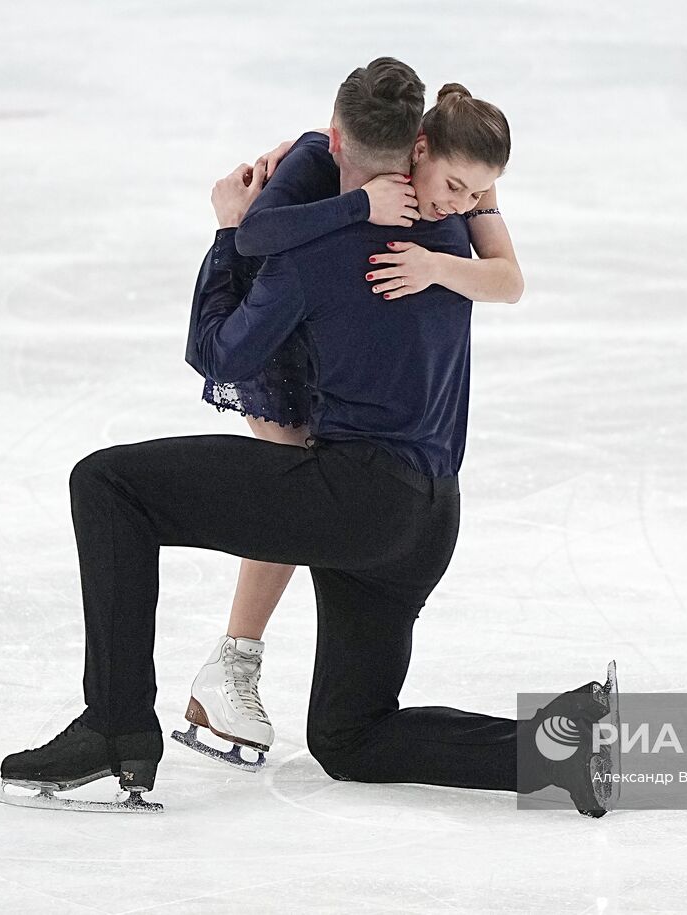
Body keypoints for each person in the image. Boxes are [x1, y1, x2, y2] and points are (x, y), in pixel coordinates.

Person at [0, 58, 615, 817]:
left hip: (354, 498)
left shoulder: (316, 251)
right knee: (352, 736)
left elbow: (219, 353)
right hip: (427, 521)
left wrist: (228, 231)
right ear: (419, 149)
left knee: (108, 484)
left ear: (335, 139)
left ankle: (114, 725)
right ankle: (566, 746)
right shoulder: (458, 229)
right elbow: (506, 269)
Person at [183, 68, 524, 764]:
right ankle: (234, 661)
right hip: (285, 319)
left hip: (372, 421)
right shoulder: (322, 160)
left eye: (475, 193)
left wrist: (436, 265)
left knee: (347, 729)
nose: (459, 202)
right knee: (289, 471)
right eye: (454, 188)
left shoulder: (455, 203)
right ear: (418, 150)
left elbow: (510, 279)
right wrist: (356, 207)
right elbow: (255, 239)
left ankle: (232, 664)